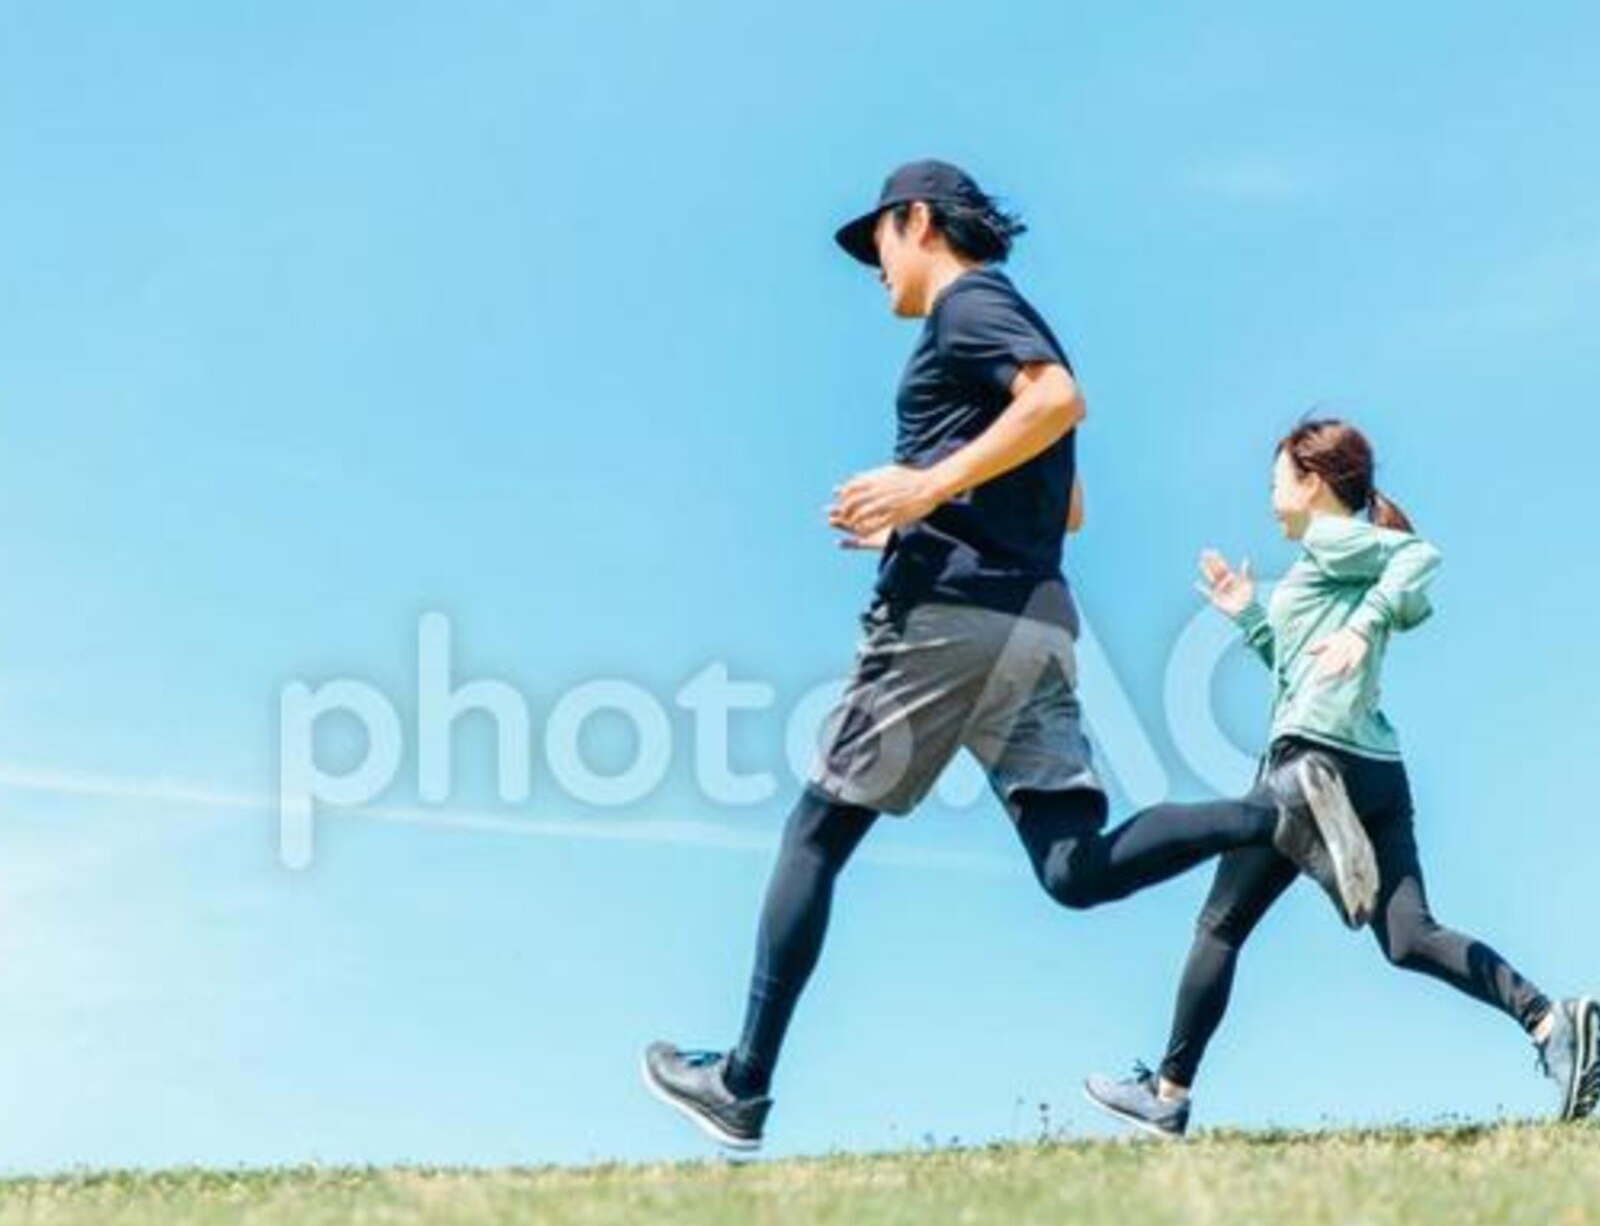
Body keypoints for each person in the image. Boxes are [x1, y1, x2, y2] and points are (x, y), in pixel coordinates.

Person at [641, 161, 1378, 1153]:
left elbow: (1057, 399)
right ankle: (1277, 809)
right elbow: (1064, 499)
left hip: (947, 618)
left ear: (919, 223)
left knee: (815, 832)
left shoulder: (970, 306)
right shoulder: (1003, 325)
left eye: (880, 243)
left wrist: (918, 492)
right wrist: (926, 504)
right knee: (1073, 868)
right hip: (1032, 619)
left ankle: (742, 1081)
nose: (874, 269)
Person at [1084, 419, 1600, 1138]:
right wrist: (1249, 617)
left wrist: (1363, 630)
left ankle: (1168, 1092)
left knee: (1220, 923)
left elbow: (1422, 555)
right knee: (1408, 935)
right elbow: (1301, 671)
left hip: (1313, 759)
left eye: (1275, 483)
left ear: (1311, 481)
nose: (1269, 501)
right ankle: (1550, 1023)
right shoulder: (1325, 566)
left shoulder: (1336, 541)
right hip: (1376, 769)